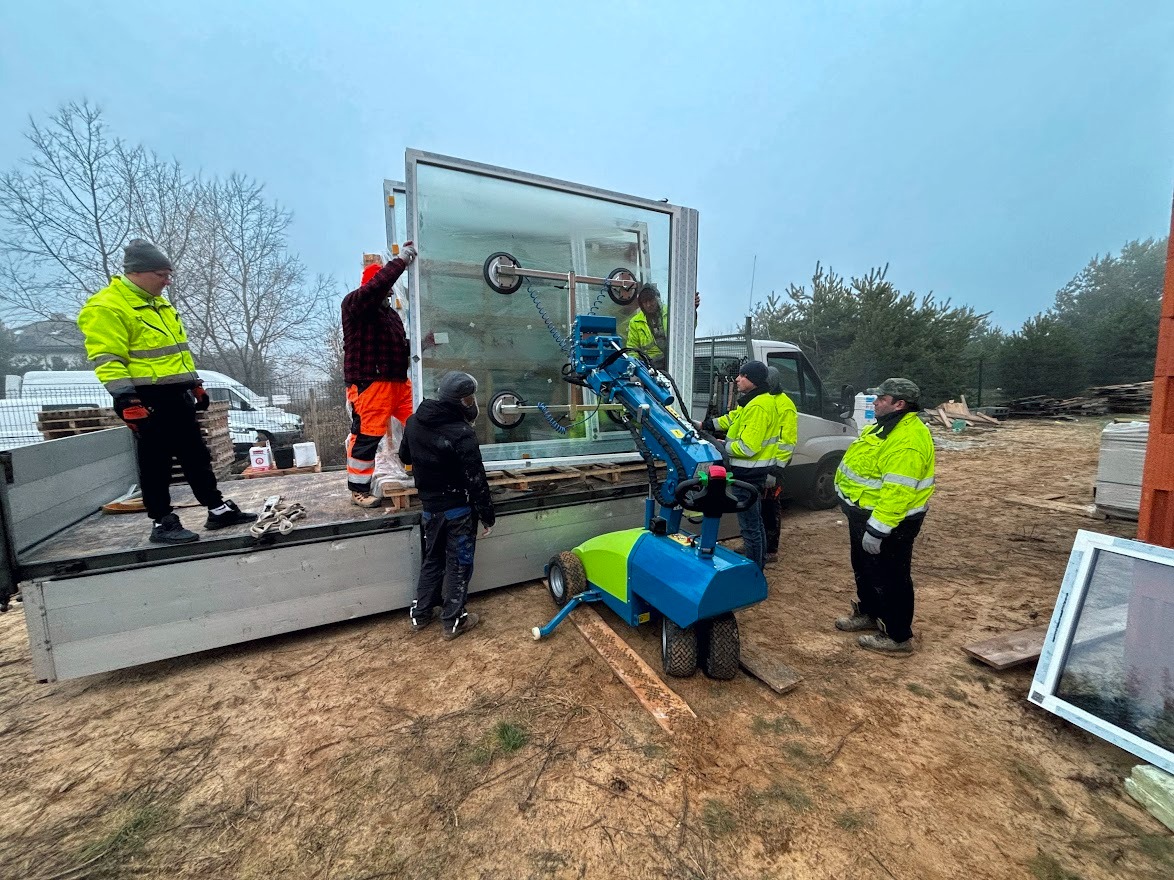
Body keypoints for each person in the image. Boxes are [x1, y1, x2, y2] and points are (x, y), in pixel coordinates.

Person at [77, 239, 257, 544]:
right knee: (156, 462)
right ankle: (162, 521)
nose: (167, 281)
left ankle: (217, 509)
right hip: (146, 399)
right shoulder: (107, 307)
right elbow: (108, 360)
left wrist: (194, 383)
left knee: (196, 456)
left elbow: (176, 354)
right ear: (139, 273)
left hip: (177, 396)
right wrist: (126, 399)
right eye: (162, 275)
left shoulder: (159, 305)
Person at [832, 377, 935, 655]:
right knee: (865, 570)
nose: (875, 402)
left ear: (899, 404)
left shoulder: (908, 440)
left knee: (891, 577)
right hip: (863, 515)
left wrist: (878, 530)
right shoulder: (885, 427)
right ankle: (869, 613)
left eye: (881, 398)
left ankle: (898, 636)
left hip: (890, 523)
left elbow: (897, 492)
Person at [398, 371, 496, 640]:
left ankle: (420, 614)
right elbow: (476, 479)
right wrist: (488, 515)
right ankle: (454, 621)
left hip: (430, 508)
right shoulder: (461, 432)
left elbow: (405, 455)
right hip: (458, 511)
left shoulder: (415, 421)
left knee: (432, 559)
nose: (472, 403)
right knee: (459, 563)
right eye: (470, 398)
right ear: (462, 401)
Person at [342, 243, 418, 507]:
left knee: (420, 425)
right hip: (370, 383)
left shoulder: (390, 316)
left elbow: (400, 346)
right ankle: (358, 490)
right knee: (367, 436)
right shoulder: (355, 303)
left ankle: (419, 469)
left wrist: (426, 343)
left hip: (399, 383)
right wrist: (400, 262)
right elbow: (375, 288)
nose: (386, 292)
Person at [700, 360, 776, 570]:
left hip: (749, 473)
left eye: (742, 376)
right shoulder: (753, 402)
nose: (737, 379)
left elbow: (748, 447)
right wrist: (704, 425)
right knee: (755, 523)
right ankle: (757, 566)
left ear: (753, 380)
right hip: (750, 472)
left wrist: (722, 446)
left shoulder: (759, 407)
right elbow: (732, 419)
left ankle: (753, 572)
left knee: (749, 527)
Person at [761, 366, 798, 564]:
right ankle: (760, 544)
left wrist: (776, 469)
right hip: (760, 463)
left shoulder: (785, 405)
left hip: (774, 465)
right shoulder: (763, 400)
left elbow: (787, 441)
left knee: (770, 506)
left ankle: (771, 549)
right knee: (758, 505)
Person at [625, 286, 701, 371]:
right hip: (650, 367)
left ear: (657, 299)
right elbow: (632, 349)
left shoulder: (672, 312)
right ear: (641, 304)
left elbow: (687, 330)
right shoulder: (635, 322)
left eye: (651, 300)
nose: (648, 305)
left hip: (674, 361)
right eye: (645, 302)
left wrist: (692, 310)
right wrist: (636, 367)